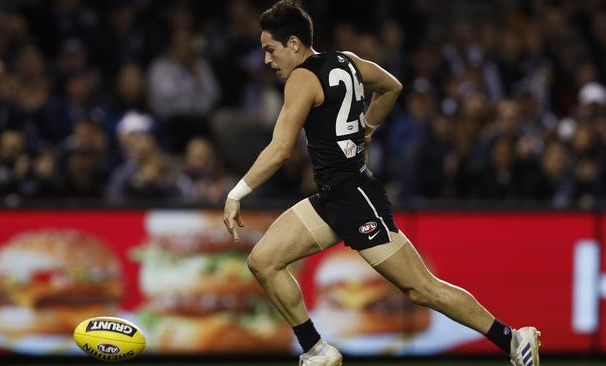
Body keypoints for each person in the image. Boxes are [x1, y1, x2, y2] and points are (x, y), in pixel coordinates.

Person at [222, 1, 541, 365]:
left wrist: (237, 193)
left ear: (294, 43)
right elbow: (391, 87)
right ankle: (316, 349)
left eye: (270, 49)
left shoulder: (301, 78)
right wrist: (367, 130)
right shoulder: (346, 61)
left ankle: (514, 339)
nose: (267, 60)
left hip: (356, 199)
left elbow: (280, 150)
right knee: (264, 261)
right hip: (332, 198)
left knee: (422, 289)